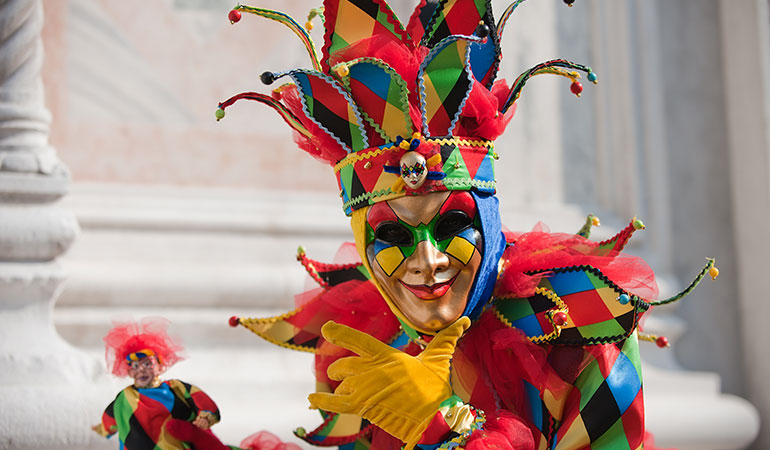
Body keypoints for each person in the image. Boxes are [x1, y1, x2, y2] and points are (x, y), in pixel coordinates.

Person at [218, 1, 717, 449]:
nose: (428, 262)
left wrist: (444, 424)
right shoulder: (364, 341)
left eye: (453, 224)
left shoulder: (577, 322)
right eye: (391, 235)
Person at [93, 317, 234, 450]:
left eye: (147, 363)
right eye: (134, 366)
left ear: (161, 366)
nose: (141, 369)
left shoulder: (176, 388)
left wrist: (205, 417)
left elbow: (201, 400)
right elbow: (110, 419)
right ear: (128, 371)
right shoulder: (124, 398)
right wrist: (101, 429)